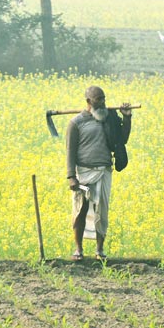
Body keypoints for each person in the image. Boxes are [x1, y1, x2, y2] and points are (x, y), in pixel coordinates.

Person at [65, 86, 132, 260]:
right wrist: (71, 176)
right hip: (83, 172)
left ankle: (99, 250)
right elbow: (70, 151)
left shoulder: (110, 119)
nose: (103, 102)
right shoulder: (76, 123)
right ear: (88, 101)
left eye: (104, 98)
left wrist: (127, 118)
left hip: (104, 171)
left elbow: (122, 139)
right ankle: (78, 250)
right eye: (98, 99)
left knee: (102, 211)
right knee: (80, 210)